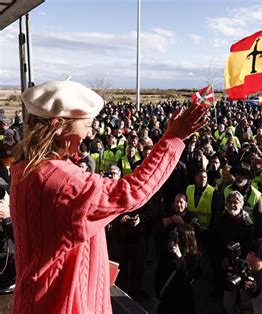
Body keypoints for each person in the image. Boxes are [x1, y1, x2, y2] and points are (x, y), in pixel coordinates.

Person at [10, 80, 207, 313]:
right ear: (60, 126)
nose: (90, 133)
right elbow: (130, 192)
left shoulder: (25, 170)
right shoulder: (63, 184)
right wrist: (173, 138)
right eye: (87, 125)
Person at [223, 238, 262, 314]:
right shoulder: (244, 271)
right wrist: (231, 285)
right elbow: (228, 307)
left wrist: (255, 293)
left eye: (256, 256)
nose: (250, 259)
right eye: (250, 253)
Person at [155, 223, 202, 314]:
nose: (174, 240)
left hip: (182, 299)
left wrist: (180, 258)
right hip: (167, 298)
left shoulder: (194, 256)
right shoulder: (166, 253)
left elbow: (188, 277)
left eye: (177, 237)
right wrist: (158, 293)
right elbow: (158, 274)